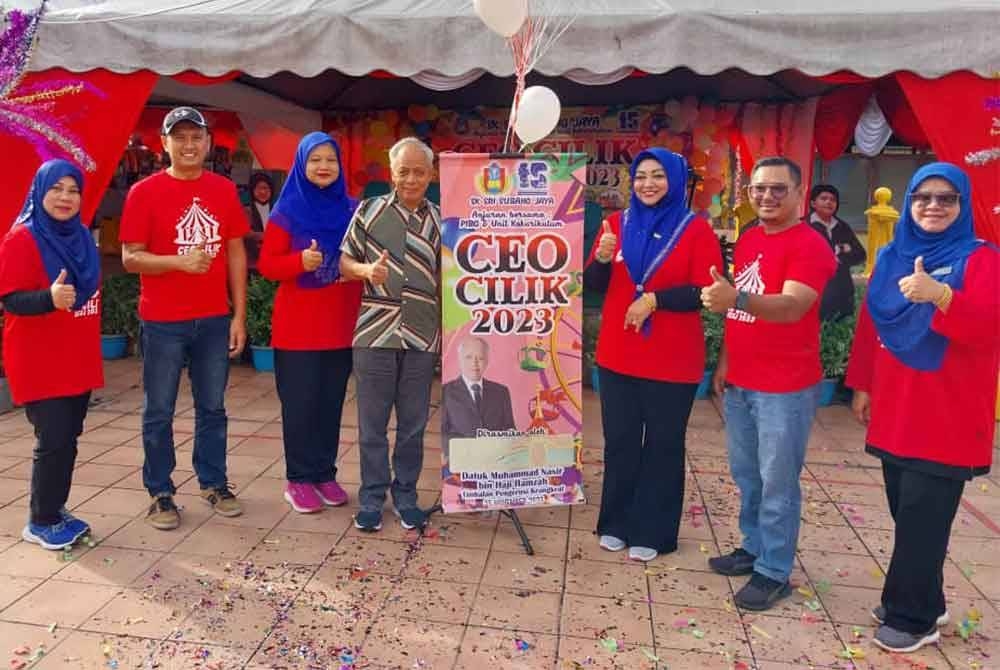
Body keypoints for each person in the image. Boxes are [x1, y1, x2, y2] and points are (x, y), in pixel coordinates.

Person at [845, 163, 999, 653]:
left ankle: (912, 617)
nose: (933, 206)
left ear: (962, 206)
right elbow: (873, 323)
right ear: (910, 203)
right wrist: (862, 384)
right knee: (906, 510)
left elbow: (989, 328)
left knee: (922, 514)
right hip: (897, 405)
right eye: (924, 197)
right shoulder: (892, 256)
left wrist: (944, 297)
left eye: (946, 198)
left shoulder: (981, 259)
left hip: (947, 410)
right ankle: (927, 599)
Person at [701, 156, 836, 609]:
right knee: (747, 474)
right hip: (742, 380)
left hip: (785, 386)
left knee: (778, 480)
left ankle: (774, 570)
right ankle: (754, 547)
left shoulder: (811, 245)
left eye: (778, 189)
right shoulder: (752, 238)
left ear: (800, 193)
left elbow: (793, 306)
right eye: (759, 188)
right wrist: (724, 360)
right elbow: (739, 311)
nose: (766, 196)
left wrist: (734, 296)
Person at [583, 148, 722, 562]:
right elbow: (593, 283)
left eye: (658, 176)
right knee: (621, 441)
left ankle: (654, 530)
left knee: (663, 445)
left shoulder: (696, 230)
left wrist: (656, 300)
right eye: (641, 176)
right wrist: (603, 259)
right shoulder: (614, 224)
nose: (647, 183)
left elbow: (707, 292)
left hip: (672, 359)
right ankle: (616, 522)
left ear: (676, 181)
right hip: (618, 354)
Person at [120, 106, 249, 530]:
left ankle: (214, 482)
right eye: (181, 137)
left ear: (209, 143)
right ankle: (160, 492)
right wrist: (178, 262)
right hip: (162, 321)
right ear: (164, 143)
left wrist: (238, 315)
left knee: (213, 408)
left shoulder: (223, 190)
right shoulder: (144, 192)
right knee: (159, 409)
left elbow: (234, 252)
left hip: (213, 319)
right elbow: (130, 257)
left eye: (197, 138)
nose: (190, 145)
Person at [339, 137, 440, 533]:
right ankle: (371, 499)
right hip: (375, 334)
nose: (411, 179)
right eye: (403, 171)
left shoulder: (442, 222)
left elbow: (451, 281)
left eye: (419, 172)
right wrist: (366, 272)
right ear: (391, 171)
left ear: (431, 175)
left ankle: (407, 496)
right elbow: (344, 261)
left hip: (422, 335)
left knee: (413, 424)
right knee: (372, 424)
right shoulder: (369, 211)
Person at [0, 160, 102, 550]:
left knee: (69, 437)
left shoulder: (79, 237)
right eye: (56, 188)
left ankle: (55, 509)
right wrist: (49, 298)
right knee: (54, 437)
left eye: (73, 190)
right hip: (40, 357)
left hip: (75, 355)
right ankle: (40, 520)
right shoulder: (21, 239)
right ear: (39, 191)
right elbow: (10, 299)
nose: (65, 197)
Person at [258, 133, 362, 514]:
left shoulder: (353, 209)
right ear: (302, 164)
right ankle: (298, 478)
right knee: (300, 405)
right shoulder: (287, 212)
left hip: (340, 324)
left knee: (330, 403)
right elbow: (268, 265)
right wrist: (298, 263)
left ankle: (323, 473)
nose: (323, 166)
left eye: (330, 160)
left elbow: (363, 256)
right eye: (315, 159)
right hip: (298, 328)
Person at [441, 336, 516, 451]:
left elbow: (510, 431)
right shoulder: (446, 392)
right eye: (468, 357)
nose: (474, 363)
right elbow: (442, 433)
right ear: (460, 360)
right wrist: (470, 448)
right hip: (460, 461)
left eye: (480, 358)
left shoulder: (501, 392)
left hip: (496, 460)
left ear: (487, 361)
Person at [805, 184, 866, 320]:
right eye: (824, 198)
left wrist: (843, 254)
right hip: (812, 290)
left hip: (841, 290)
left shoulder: (842, 227)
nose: (829, 202)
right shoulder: (803, 226)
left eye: (833, 199)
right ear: (813, 203)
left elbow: (860, 254)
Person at [244, 172, 273, 273]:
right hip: (252, 265)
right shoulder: (246, 210)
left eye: (266, 188)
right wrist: (266, 236)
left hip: (273, 263)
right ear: (252, 191)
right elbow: (246, 233)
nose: (263, 192)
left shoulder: (277, 210)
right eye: (259, 188)